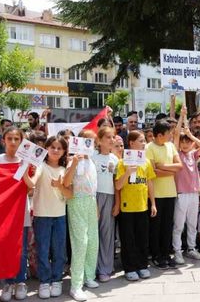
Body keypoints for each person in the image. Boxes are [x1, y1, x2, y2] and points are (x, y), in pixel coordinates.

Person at [22, 136, 70, 300]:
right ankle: (44, 281)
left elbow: (69, 194)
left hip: (60, 216)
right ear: (46, 149)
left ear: (64, 151)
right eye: (52, 147)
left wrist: (60, 186)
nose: (55, 150)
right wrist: (24, 172)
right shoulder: (41, 166)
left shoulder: (65, 169)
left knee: (59, 251)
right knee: (42, 250)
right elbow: (32, 183)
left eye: (59, 148)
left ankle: (57, 280)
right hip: (42, 215)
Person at [115, 130, 157, 281]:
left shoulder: (145, 162)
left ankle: (142, 265)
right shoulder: (122, 162)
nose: (144, 143)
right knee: (128, 240)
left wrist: (153, 203)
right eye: (141, 140)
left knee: (142, 238)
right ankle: (130, 268)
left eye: (144, 140)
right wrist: (127, 172)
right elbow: (118, 186)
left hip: (142, 206)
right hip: (127, 208)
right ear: (131, 143)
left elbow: (150, 182)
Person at [64, 129, 99, 301]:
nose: (90, 144)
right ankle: (76, 285)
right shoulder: (72, 160)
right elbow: (67, 182)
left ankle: (89, 276)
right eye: (87, 141)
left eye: (92, 141)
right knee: (80, 242)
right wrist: (75, 162)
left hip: (91, 202)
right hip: (76, 201)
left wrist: (96, 206)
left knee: (92, 240)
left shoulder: (92, 160)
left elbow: (93, 185)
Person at [0, 127, 30, 302]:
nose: (13, 142)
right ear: (4, 140)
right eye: (10, 138)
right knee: (7, 249)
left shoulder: (27, 160)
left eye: (17, 138)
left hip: (22, 212)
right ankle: (8, 282)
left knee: (22, 250)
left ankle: (21, 281)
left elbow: (31, 187)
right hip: (4, 215)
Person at [172, 111, 200, 264]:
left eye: (188, 142)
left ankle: (191, 249)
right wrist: (181, 117)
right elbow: (175, 137)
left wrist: (190, 135)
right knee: (179, 224)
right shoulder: (177, 154)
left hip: (194, 193)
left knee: (192, 223)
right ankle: (177, 251)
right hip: (181, 194)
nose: (185, 144)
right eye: (183, 142)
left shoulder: (193, 154)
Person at [146, 119, 182, 269]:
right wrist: (169, 170)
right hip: (156, 194)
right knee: (156, 227)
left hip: (170, 192)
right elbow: (152, 172)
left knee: (168, 226)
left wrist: (163, 167)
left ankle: (166, 254)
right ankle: (156, 255)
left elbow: (179, 166)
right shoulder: (149, 148)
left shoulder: (171, 146)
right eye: (168, 133)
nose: (170, 135)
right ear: (160, 135)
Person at [92, 127, 119, 282]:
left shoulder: (115, 159)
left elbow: (116, 183)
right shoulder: (92, 156)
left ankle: (105, 268)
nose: (111, 140)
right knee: (93, 234)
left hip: (109, 197)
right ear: (99, 140)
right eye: (108, 137)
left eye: (113, 137)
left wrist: (117, 203)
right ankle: (92, 267)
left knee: (107, 234)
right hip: (94, 197)